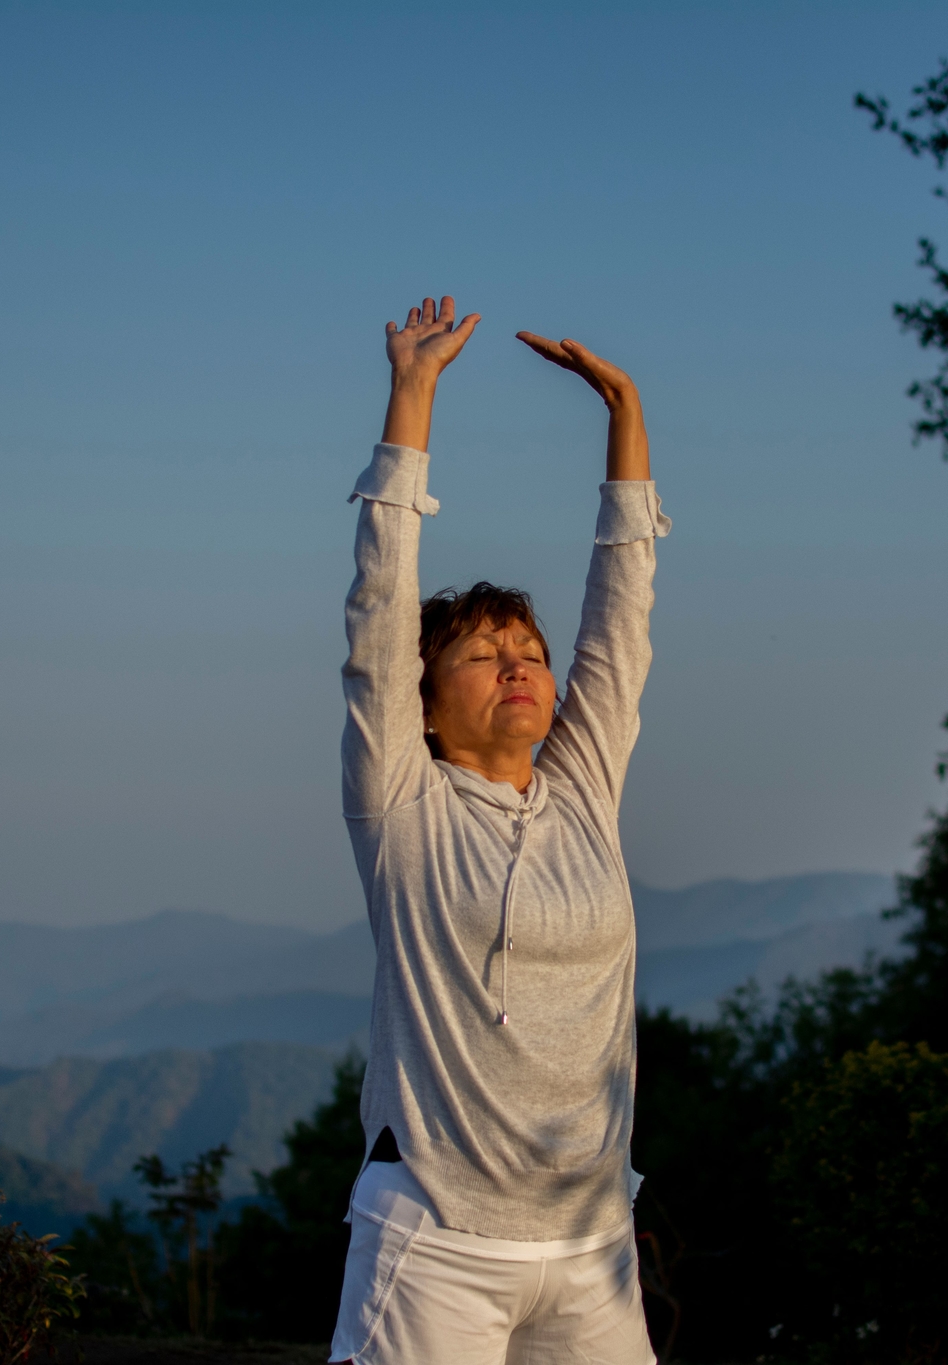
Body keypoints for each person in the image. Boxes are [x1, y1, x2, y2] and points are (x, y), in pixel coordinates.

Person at [331, 296, 669, 1365]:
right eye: (481, 654)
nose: (517, 664)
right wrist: (411, 395)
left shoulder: (582, 789)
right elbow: (378, 610)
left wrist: (624, 416)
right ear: (425, 703)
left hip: (591, 1243)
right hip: (437, 1238)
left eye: (528, 650)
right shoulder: (403, 803)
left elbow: (622, 618)